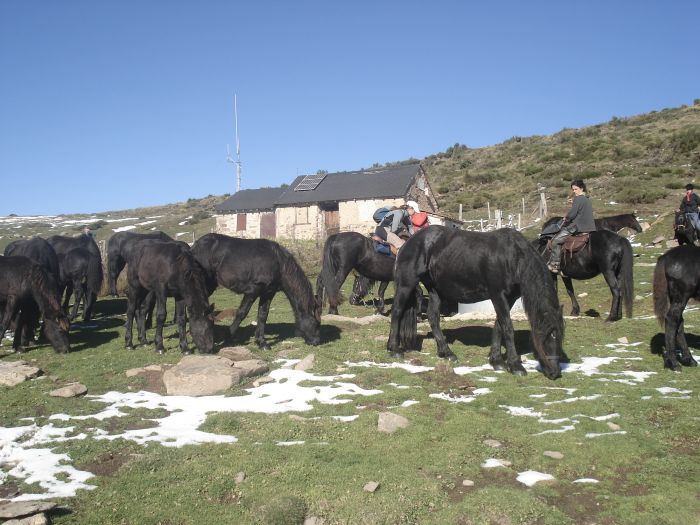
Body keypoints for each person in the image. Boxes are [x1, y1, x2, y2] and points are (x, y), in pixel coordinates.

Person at [547, 180, 596, 273]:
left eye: (576, 189)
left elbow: (572, 214)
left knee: (555, 241)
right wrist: (574, 202)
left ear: (581, 188)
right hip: (589, 227)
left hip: (578, 226)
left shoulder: (578, 199)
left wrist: (566, 218)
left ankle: (555, 264)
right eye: (573, 189)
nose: (574, 191)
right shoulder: (587, 199)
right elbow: (581, 208)